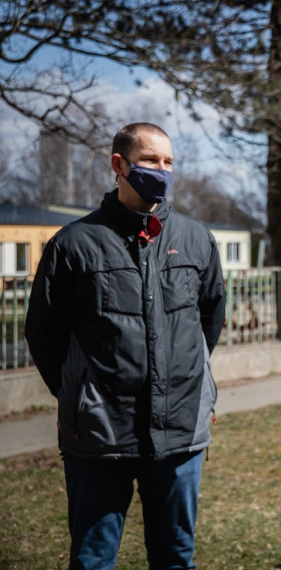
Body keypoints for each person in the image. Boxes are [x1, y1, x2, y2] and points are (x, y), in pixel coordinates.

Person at [25, 122, 226, 569]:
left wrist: (188, 383)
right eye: (151, 160)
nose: (162, 170)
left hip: (179, 435)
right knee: (93, 560)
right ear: (119, 165)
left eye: (169, 162)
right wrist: (80, 397)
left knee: (175, 558)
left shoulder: (196, 239)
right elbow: (44, 335)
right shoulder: (73, 244)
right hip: (99, 437)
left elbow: (208, 321)